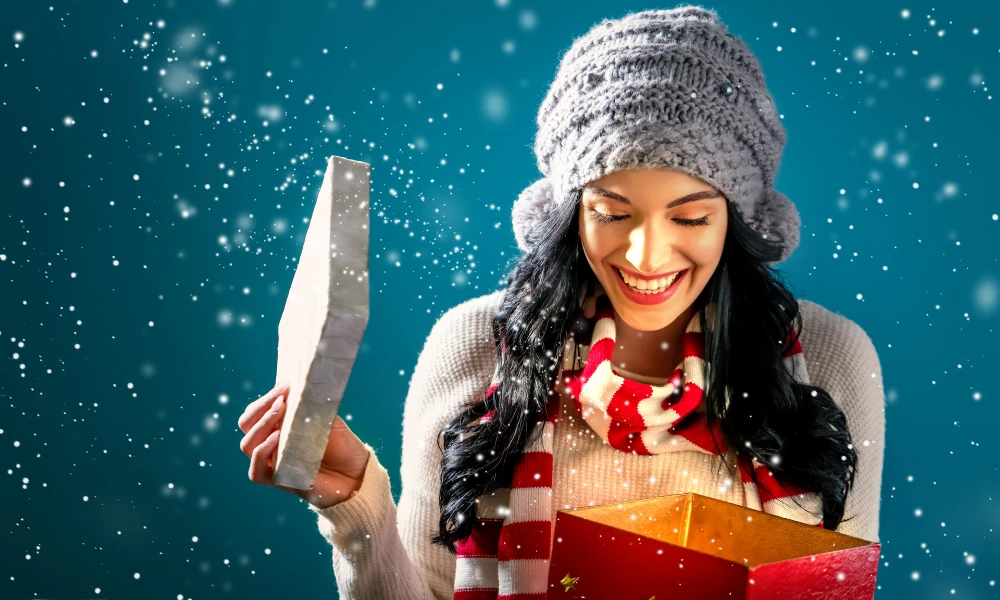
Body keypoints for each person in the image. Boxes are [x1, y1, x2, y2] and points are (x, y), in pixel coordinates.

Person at [238, 6, 885, 599]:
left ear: (738, 221)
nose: (645, 256)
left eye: (689, 219)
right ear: (567, 213)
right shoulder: (471, 348)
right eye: (611, 213)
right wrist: (356, 504)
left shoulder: (828, 360)